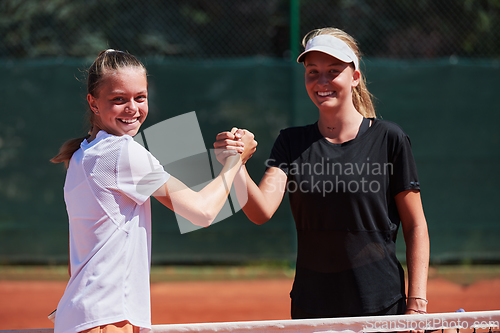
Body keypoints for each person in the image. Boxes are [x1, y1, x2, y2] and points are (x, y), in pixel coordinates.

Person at [214, 27, 429, 319]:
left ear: (354, 77)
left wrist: (416, 303)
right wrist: (235, 163)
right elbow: (260, 211)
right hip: (311, 308)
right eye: (312, 71)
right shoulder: (291, 142)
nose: (322, 81)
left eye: (333, 71)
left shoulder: (389, 138)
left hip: (380, 305)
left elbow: (415, 225)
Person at [50, 49, 256, 333]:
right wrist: (235, 161)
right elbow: (202, 213)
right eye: (118, 99)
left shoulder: (81, 155)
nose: (132, 108)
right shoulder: (122, 152)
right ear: (93, 103)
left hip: (83, 315)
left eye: (140, 97)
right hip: (107, 319)